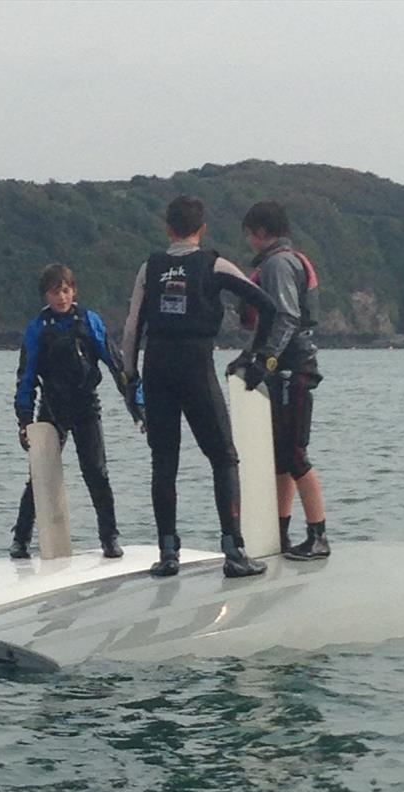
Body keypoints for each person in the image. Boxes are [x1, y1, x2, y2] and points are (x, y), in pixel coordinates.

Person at [122, 195, 278, 578]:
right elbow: (268, 306)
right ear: (202, 229)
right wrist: (257, 355)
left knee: (164, 462)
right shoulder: (215, 264)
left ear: (167, 228)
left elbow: (131, 329)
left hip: (156, 365)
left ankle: (168, 553)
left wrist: (130, 379)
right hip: (195, 366)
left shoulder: (150, 266)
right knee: (223, 457)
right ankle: (233, 550)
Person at [10, 263, 145, 559]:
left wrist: (136, 402)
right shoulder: (37, 330)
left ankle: (109, 536)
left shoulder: (88, 321)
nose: (61, 298)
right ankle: (21, 539)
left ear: (74, 291)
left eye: (66, 290)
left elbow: (116, 363)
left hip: (85, 405)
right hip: (52, 409)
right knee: (39, 476)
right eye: (55, 292)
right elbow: (27, 377)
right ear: (45, 295)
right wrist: (24, 421)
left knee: (96, 472)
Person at [239, 200, 329, 560]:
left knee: (295, 454)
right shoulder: (285, 260)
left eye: (248, 236)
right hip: (285, 365)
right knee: (280, 456)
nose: (248, 243)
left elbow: (288, 317)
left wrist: (267, 359)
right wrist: (252, 357)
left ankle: (318, 534)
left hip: (294, 366)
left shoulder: (277, 264)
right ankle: (280, 532)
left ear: (260, 233)